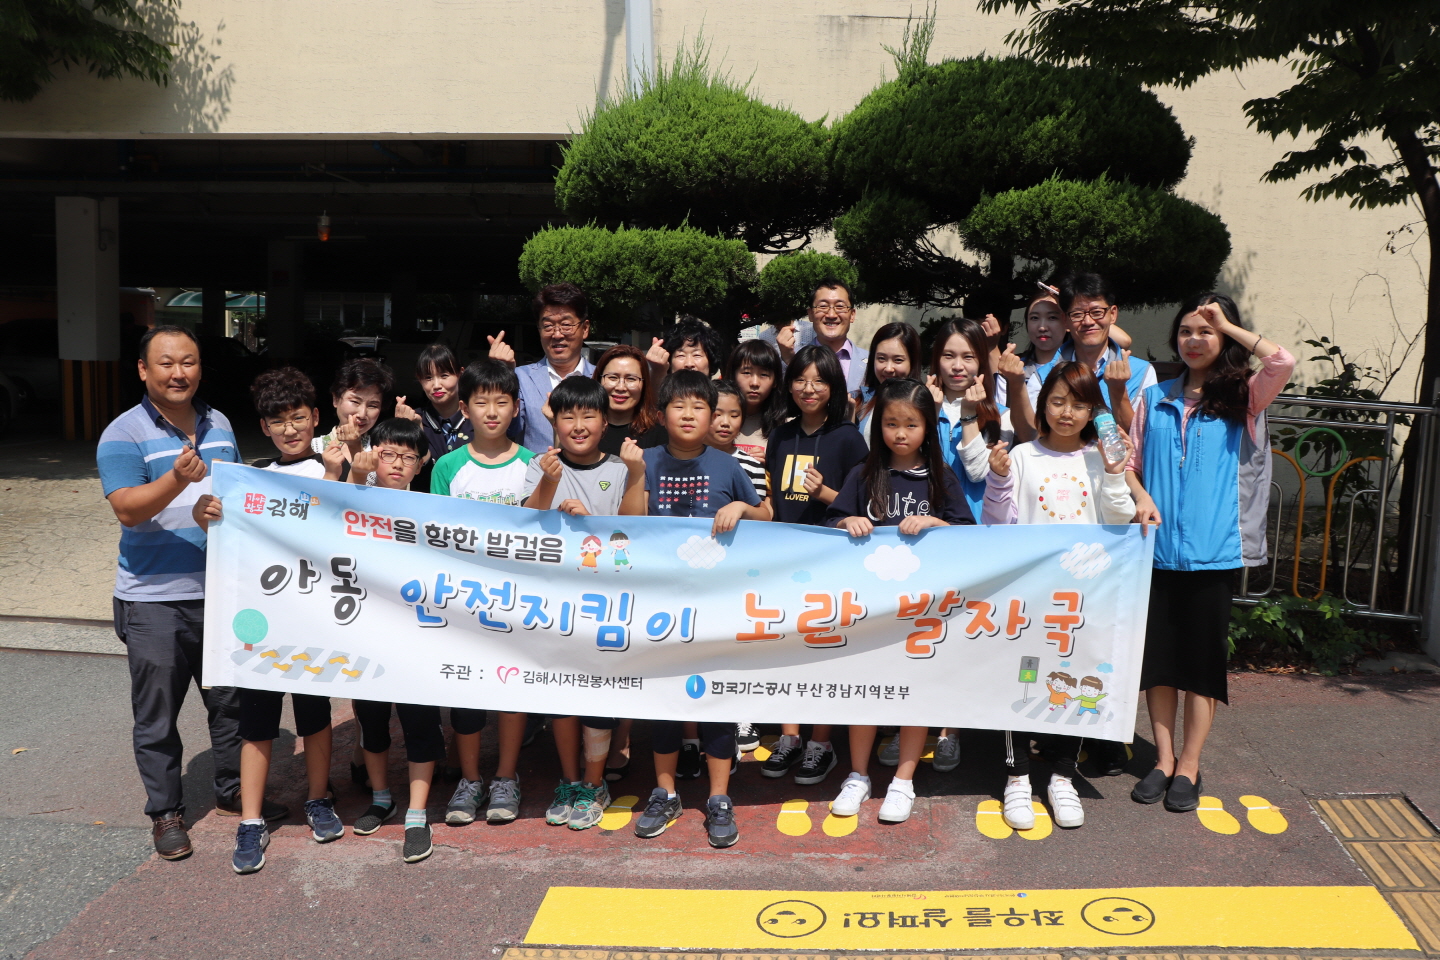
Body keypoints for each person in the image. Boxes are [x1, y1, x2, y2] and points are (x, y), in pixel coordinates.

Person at [1125, 295, 1295, 813]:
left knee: (1201, 668)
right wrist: (1141, 496)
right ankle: (1163, 760)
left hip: (1214, 554)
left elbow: (1282, 361)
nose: (1194, 339)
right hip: (1155, 552)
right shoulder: (1154, 398)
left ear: (1224, 336)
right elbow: (1129, 462)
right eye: (1186, 330)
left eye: (1207, 330)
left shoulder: (1244, 396)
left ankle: (1190, 765)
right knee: (1158, 666)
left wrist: (1230, 324)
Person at [98, 324, 261, 861]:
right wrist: (177, 480)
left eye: (187, 362)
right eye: (165, 363)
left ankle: (233, 790)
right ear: (143, 370)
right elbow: (127, 509)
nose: (178, 373)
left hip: (221, 591)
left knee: (230, 704)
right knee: (157, 715)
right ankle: (165, 813)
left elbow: (235, 492)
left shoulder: (221, 423)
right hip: (153, 598)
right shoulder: (122, 433)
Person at [191, 367, 345, 873]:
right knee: (256, 722)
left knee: (315, 714)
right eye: (278, 421)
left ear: (316, 417)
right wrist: (205, 515)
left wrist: (338, 474)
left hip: (315, 620)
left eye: (298, 417)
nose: (289, 429)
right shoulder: (249, 478)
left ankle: (319, 799)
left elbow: (343, 527)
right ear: (264, 426)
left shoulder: (334, 467)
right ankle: (251, 820)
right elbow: (221, 533)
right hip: (261, 626)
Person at [982, 361, 1136, 830]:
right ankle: (1017, 778)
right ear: (1042, 404)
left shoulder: (1098, 458)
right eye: (1057, 402)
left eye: (1079, 405)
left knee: (1075, 681)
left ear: (1093, 413)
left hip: (1083, 599)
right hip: (1030, 597)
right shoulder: (1022, 456)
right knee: (1021, 680)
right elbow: (996, 524)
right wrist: (998, 480)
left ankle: (1062, 776)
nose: (1067, 413)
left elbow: (1119, 522)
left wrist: (1115, 473)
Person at [824, 378, 974, 824]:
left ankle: (903, 780)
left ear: (928, 427)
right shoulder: (863, 474)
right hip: (869, 611)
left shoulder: (941, 476)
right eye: (891, 424)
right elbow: (830, 524)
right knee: (864, 692)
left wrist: (934, 523)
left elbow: (969, 535)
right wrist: (847, 521)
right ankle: (858, 775)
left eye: (911, 424)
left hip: (922, 612)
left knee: (915, 693)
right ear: (878, 427)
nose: (901, 433)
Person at [634, 371, 765, 848]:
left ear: (713, 416)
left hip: (716, 607)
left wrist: (743, 509)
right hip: (660, 606)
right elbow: (629, 521)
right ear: (661, 414)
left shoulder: (728, 465)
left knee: (717, 702)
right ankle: (664, 793)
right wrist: (634, 475)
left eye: (699, 407)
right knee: (665, 702)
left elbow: (767, 515)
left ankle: (719, 798)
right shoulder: (645, 460)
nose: (688, 415)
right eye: (678, 406)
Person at [522, 375, 648, 829]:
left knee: (598, 695)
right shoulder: (540, 464)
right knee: (561, 694)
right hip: (556, 603)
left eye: (588, 415)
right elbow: (523, 524)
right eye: (568, 416)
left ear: (604, 421)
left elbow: (635, 528)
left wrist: (597, 513)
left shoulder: (621, 467)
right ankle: (569, 780)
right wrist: (548, 486)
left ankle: (595, 783)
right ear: (553, 422)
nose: (578, 425)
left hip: (606, 603)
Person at [428, 360, 533, 824]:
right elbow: (436, 535)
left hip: (518, 602)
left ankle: (506, 777)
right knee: (467, 691)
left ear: (516, 408)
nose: (492, 412)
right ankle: (470, 780)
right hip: (464, 601)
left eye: (501, 402)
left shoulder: (533, 465)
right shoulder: (447, 466)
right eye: (481, 402)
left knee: (512, 689)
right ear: (465, 408)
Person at [761, 345, 869, 784]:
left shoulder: (848, 437)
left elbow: (862, 505)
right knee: (785, 649)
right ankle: (790, 737)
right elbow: (774, 499)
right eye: (801, 380)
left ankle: (820, 743)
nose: (809, 389)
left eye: (819, 381)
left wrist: (824, 494)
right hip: (784, 559)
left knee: (826, 650)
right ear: (789, 386)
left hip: (832, 561)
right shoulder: (780, 435)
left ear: (834, 387)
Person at [342, 418, 446, 863]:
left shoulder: (432, 511)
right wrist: (355, 473)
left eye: (408, 457)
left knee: (420, 722)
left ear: (421, 464)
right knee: (372, 721)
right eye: (388, 454)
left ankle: (417, 813)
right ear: (373, 454)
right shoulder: (354, 499)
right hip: (366, 634)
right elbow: (329, 523)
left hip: (417, 637)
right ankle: (381, 797)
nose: (398, 464)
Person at [490, 282, 595, 453]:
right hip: (536, 470)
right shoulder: (520, 377)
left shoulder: (602, 378)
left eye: (566, 324)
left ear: (585, 329)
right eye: (548, 326)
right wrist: (501, 376)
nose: (557, 334)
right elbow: (506, 430)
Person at [930, 317, 1014, 523]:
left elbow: (978, 473)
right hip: (925, 525)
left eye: (968, 357)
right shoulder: (918, 409)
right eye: (948, 356)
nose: (957, 366)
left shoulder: (1001, 417)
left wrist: (968, 415)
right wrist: (928, 413)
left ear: (981, 361)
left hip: (977, 527)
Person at [1057, 273, 1155, 433]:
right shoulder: (1046, 373)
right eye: (1077, 314)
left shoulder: (1142, 372)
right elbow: (1034, 434)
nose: (1088, 322)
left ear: (1113, 314)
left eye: (1097, 312)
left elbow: (1143, 437)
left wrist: (1118, 390)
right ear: (1065, 321)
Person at [310, 358, 394, 485]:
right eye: (355, 401)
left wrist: (355, 446)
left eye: (373, 405)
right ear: (336, 399)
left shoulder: (385, 452)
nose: (362, 414)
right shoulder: (312, 447)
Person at [778, 278, 868, 396]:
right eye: (823, 306)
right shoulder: (792, 358)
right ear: (810, 314)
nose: (831, 315)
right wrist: (789, 361)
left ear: (852, 315)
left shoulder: (872, 362)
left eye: (840, 306)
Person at [400, 343, 470, 492]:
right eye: (428, 377)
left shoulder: (477, 419)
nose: (436, 385)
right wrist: (405, 429)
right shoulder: (413, 418)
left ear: (460, 373)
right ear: (419, 380)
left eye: (444, 375)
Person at [855, 322, 924, 444]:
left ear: (912, 362)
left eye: (898, 360)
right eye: (881, 358)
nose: (888, 368)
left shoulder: (925, 404)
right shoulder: (856, 402)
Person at [593, 344, 667, 454]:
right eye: (613, 377)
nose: (620, 387)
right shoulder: (584, 430)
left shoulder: (660, 434)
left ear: (644, 384)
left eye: (631, 379)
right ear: (599, 380)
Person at [723, 338, 786, 461]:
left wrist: (771, 465)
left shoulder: (785, 427)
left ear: (775, 381)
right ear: (733, 375)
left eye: (764, 375)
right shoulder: (713, 421)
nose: (755, 383)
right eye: (747, 373)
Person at [645, 315, 728, 383]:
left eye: (697, 355)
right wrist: (657, 372)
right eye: (681, 355)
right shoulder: (661, 397)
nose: (689, 364)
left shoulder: (724, 397)